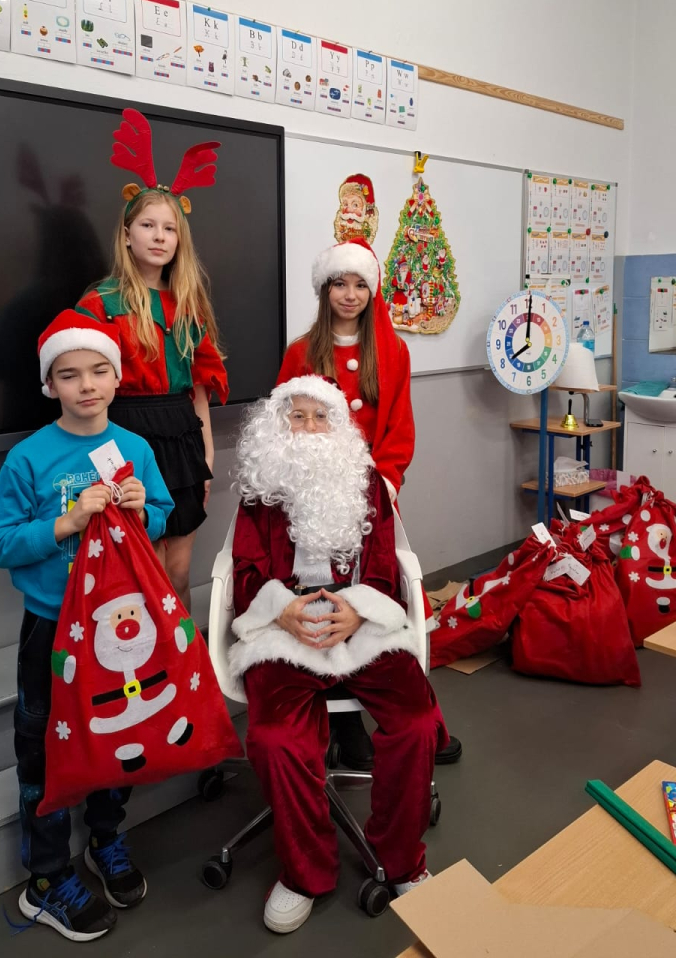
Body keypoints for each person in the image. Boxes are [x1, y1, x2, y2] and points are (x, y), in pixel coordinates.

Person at [0, 310, 175, 942]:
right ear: (49, 385)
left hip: (119, 629)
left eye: (98, 371)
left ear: (117, 378)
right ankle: (45, 879)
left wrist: (145, 511)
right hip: (51, 631)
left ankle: (105, 840)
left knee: (117, 735)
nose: (86, 385)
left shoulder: (135, 449)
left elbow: (163, 513)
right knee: (43, 749)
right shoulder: (29, 458)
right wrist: (64, 523)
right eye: (69, 375)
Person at [230, 376, 448, 934]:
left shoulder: (367, 483)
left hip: (361, 620)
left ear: (340, 426)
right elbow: (246, 572)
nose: (308, 428)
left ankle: (402, 859)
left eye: (320, 416)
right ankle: (304, 873)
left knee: (417, 723)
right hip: (285, 626)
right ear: (277, 426)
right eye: (296, 416)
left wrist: (357, 609)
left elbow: (384, 568)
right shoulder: (260, 490)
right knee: (275, 738)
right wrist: (281, 610)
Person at [276, 238, 462, 767]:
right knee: (324, 600)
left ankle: (420, 718)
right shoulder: (299, 351)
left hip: (372, 499)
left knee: (386, 602)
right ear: (325, 288)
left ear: (373, 291)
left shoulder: (393, 351)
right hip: (311, 500)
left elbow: (399, 428)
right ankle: (343, 721)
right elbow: (283, 425)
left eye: (360, 284)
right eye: (340, 283)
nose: (350, 294)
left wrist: (383, 485)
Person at [76, 108, 227, 612]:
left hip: (181, 436)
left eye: (170, 228)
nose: (159, 236)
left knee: (178, 571)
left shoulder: (189, 305)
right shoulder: (100, 303)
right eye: (147, 225)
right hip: (122, 436)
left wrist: (207, 458)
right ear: (126, 234)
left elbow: (200, 387)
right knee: (140, 570)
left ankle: (182, 655)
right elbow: (82, 389)